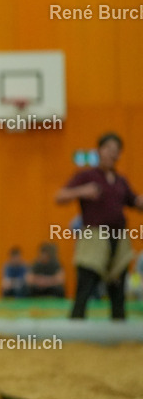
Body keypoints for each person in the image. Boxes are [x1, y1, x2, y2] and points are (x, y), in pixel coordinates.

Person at [56, 133, 143, 320]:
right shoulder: (87, 176)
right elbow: (60, 196)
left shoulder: (121, 181)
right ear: (99, 151)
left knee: (118, 286)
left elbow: (134, 201)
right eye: (108, 149)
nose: (112, 153)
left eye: (116, 150)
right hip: (94, 237)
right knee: (86, 283)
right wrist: (82, 191)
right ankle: (76, 325)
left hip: (119, 238)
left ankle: (118, 328)